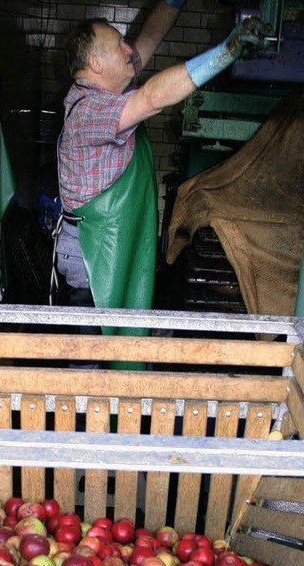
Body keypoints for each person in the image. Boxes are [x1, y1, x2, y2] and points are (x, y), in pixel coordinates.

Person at [53, 0, 265, 340]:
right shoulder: (91, 110)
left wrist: (172, 3)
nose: (129, 50)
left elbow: (146, 43)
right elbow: (152, 98)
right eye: (119, 45)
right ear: (96, 63)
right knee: (91, 359)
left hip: (110, 247)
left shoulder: (103, 92)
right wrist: (226, 51)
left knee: (118, 344)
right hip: (92, 259)